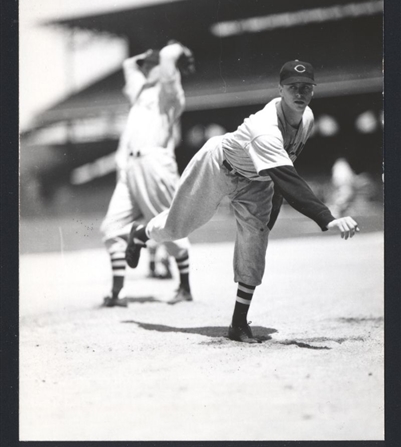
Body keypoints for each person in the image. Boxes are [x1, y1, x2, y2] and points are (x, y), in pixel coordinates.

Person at [125, 59, 359, 342]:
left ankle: (238, 323)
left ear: (313, 91)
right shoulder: (265, 129)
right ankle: (140, 233)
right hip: (218, 166)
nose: (300, 93)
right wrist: (329, 218)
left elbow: (283, 171)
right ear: (280, 90)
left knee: (255, 242)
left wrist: (266, 221)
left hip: (257, 181)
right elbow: (289, 179)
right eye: (293, 87)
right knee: (176, 229)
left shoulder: (306, 118)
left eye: (307, 88)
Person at [101, 41, 195, 307]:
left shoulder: (170, 93)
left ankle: (185, 287)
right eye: (146, 66)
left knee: (171, 226)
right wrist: (144, 58)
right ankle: (118, 293)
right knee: (112, 228)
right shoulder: (140, 91)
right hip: (129, 167)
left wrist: (177, 52)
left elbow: (167, 60)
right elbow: (128, 65)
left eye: (151, 66)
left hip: (156, 163)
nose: (146, 69)